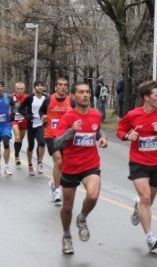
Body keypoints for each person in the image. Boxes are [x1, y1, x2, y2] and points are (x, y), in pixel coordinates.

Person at [116, 80, 157, 252]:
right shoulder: (133, 115)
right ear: (146, 98)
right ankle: (150, 237)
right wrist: (127, 136)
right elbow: (120, 130)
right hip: (138, 162)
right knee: (145, 197)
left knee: (148, 201)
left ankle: (138, 207)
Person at [53, 82, 107, 254]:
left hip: (90, 165)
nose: (85, 95)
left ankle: (82, 218)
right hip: (70, 167)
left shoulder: (96, 115)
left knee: (92, 195)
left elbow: (97, 131)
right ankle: (67, 236)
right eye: (81, 92)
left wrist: (103, 138)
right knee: (67, 207)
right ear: (73, 96)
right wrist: (71, 131)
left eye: (87, 92)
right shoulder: (67, 118)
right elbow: (56, 142)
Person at [40, 78, 74, 202]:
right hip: (51, 135)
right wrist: (43, 116)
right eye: (60, 85)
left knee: (65, 164)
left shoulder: (71, 101)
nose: (63, 87)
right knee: (58, 161)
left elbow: (78, 114)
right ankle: (57, 191)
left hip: (66, 136)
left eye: (65, 85)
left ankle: (54, 184)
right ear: (56, 87)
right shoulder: (49, 99)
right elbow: (42, 111)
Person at [19, 81, 47, 176]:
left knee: (42, 142)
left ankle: (39, 163)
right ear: (35, 87)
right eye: (38, 86)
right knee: (31, 145)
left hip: (41, 123)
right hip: (31, 123)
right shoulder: (30, 98)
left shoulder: (46, 98)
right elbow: (20, 108)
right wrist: (26, 115)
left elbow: (50, 108)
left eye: (41, 86)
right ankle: (30, 164)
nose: (40, 87)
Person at [11, 82, 28, 166]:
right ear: (15, 89)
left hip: (24, 120)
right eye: (18, 89)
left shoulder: (27, 98)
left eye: (21, 89)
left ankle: (17, 152)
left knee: (20, 139)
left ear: (24, 90)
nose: (20, 91)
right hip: (14, 120)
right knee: (17, 136)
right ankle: (17, 156)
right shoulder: (11, 97)